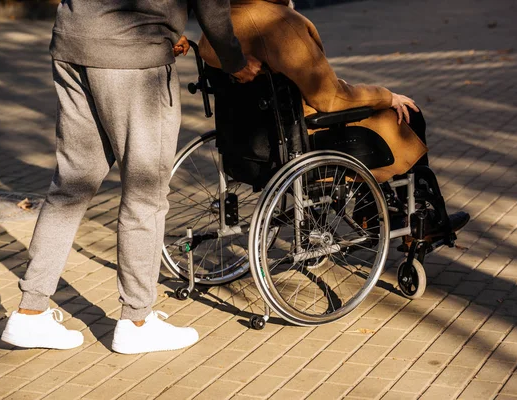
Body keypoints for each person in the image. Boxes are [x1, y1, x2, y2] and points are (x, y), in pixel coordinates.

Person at [1, 0, 262, 355]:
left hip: (74, 42)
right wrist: (235, 61)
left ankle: (29, 312)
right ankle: (137, 321)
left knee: (70, 187)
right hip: (133, 59)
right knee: (145, 195)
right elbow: (212, 7)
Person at [198, 0, 469, 237]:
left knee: (373, 115)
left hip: (245, 145)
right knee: (408, 114)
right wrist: (387, 97)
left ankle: (373, 207)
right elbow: (329, 99)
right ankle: (418, 219)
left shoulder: (217, 27)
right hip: (301, 138)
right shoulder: (281, 24)